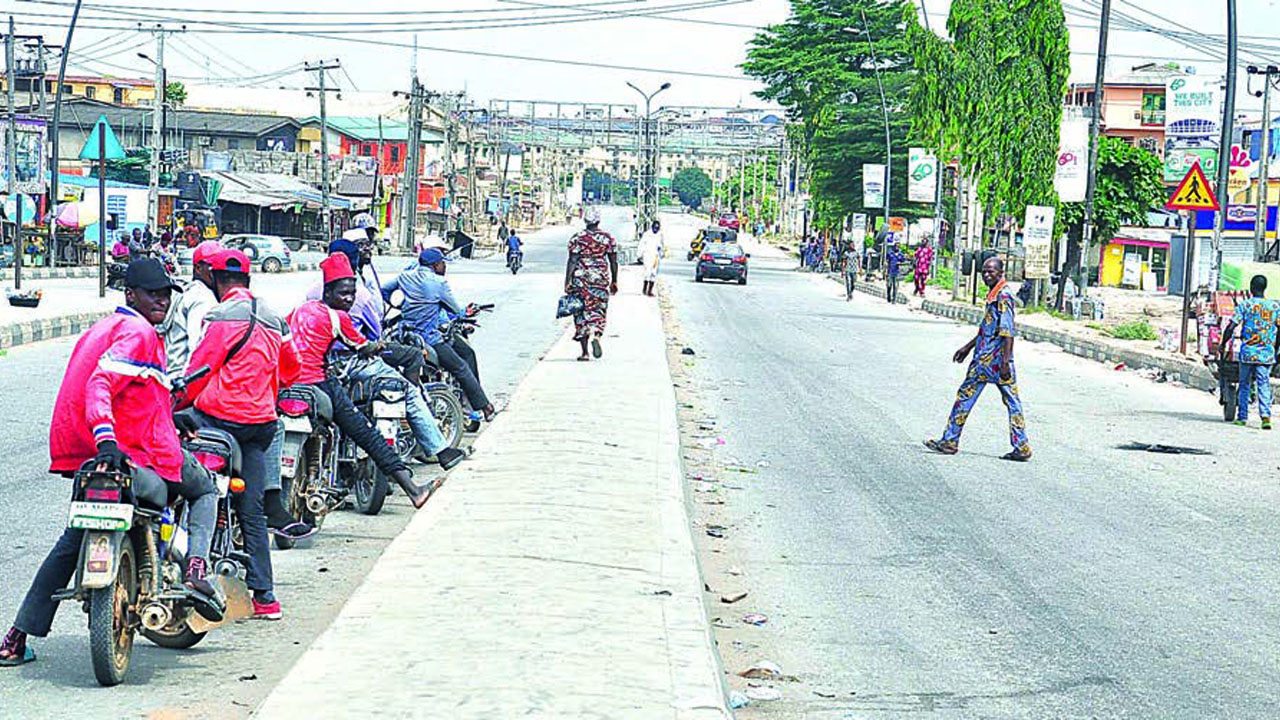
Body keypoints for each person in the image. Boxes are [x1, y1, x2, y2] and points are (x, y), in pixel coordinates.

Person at [0, 259, 222, 667]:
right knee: (205, 487)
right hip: (124, 454)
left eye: (165, 292)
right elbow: (102, 384)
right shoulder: (138, 333)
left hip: (90, 458)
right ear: (130, 294)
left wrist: (172, 414)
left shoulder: (104, 329)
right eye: (152, 292)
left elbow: (136, 395)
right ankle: (196, 568)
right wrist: (106, 440)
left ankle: (15, 637)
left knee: (72, 539)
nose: (161, 299)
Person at [181, 248, 301, 620]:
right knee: (252, 510)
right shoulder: (275, 321)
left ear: (216, 281)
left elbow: (198, 371)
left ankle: (189, 562)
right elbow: (292, 370)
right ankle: (265, 597)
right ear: (248, 281)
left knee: (186, 484)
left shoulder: (220, 316)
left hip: (217, 420)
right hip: (259, 426)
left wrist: (176, 404)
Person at [292, 253, 438, 507]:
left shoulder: (301, 310)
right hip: (319, 382)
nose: (348, 299)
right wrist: (377, 346)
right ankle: (413, 490)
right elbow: (362, 346)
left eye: (351, 294)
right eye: (343, 293)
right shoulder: (339, 318)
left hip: (289, 384)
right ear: (327, 292)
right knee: (367, 434)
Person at [307, 240, 465, 469]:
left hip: (321, 363)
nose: (348, 299)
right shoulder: (359, 295)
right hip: (351, 361)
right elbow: (372, 334)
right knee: (408, 387)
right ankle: (440, 449)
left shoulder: (311, 297)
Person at [924, 257, 1032, 461]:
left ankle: (950, 441)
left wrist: (1006, 363)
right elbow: (988, 328)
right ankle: (1021, 446)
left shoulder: (1004, 296)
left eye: (991, 272)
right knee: (1009, 400)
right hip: (986, 358)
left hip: (992, 362)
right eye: (984, 271)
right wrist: (967, 347)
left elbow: (1008, 332)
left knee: (967, 397)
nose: (986, 275)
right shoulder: (994, 295)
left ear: (1001, 273)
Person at [384, 248, 499, 420]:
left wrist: (402, 306)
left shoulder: (405, 277)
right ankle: (485, 407)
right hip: (430, 338)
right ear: (436, 265)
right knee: (461, 367)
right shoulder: (439, 283)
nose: (445, 266)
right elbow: (456, 310)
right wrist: (465, 312)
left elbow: (384, 291)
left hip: (405, 335)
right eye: (443, 263)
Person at [1219, 274, 1280, 429]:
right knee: (1263, 384)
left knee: (1244, 384)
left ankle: (1242, 417)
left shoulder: (1245, 305)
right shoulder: (1274, 307)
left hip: (1247, 353)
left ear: (1252, 288)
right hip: (1266, 353)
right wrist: (1276, 349)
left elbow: (1232, 326)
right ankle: (1265, 417)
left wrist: (1223, 343)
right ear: (1264, 288)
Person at [159, 240, 221, 379]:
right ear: (198, 268)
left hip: (171, 375)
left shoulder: (188, 290)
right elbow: (199, 350)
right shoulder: (202, 298)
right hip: (184, 380)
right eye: (212, 267)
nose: (218, 272)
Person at [564, 206, 618, 361]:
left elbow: (572, 260)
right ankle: (597, 335)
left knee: (581, 313)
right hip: (600, 280)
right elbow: (613, 261)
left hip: (581, 280)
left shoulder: (577, 238)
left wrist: (567, 282)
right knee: (598, 311)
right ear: (598, 220)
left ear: (585, 220)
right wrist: (614, 280)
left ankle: (585, 352)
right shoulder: (608, 238)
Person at [639, 219, 665, 297]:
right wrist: (639, 255)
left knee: (653, 273)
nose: (656, 229)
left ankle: (650, 290)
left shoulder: (660, 235)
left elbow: (661, 245)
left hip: (655, 256)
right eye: (655, 227)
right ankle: (644, 289)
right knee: (647, 272)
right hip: (647, 254)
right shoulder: (647, 234)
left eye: (657, 228)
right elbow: (641, 244)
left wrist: (661, 253)